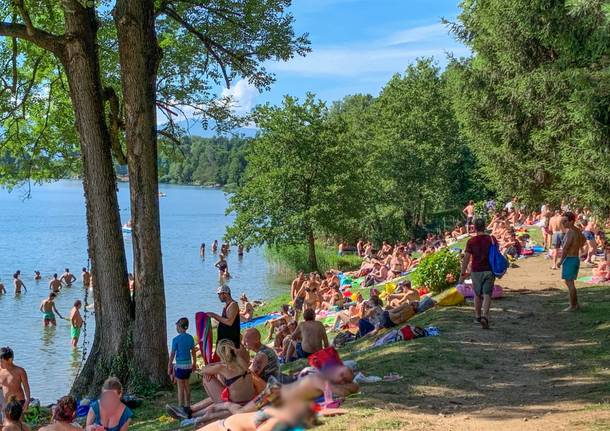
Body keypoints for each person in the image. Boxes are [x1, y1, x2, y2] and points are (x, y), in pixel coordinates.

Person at [459, 218, 496, 329]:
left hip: (476, 271)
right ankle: (485, 316)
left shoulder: (471, 241)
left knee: (477, 294)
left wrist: (463, 272)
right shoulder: (491, 239)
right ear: (485, 227)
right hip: (489, 269)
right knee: (487, 294)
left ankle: (478, 316)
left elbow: (466, 258)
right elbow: (496, 253)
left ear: (474, 228)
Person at [558, 212, 586, 312]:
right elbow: (583, 240)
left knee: (569, 283)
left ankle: (573, 306)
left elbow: (565, 248)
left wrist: (560, 261)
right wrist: (577, 247)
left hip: (570, 259)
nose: (563, 223)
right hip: (575, 258)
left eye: (565, 221)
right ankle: (575, 304)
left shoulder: (570, 232)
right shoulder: (577, 231)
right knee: (569, 282)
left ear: (571, 221)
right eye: (562, 221)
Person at [168, 317, 197, 409]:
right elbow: (193, 352)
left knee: (180, 387)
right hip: (188, 365)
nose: (176, 328)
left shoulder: (175, 339)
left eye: (177, 326)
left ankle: (181, 407)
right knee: (187, 385)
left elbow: (172, 354)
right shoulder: (190, 338)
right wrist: (194, 363)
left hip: (180, 366)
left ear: (180, 327)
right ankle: (188, 405)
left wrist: (169, 365)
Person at [0, 347, 30, 414]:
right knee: (5, 423)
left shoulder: (20, 371)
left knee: (18, 423)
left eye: (2, 361)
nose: (0, 363)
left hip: (18, 402)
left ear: (10, 359)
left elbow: (26, 386)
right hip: (4, 402)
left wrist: (27, 400)